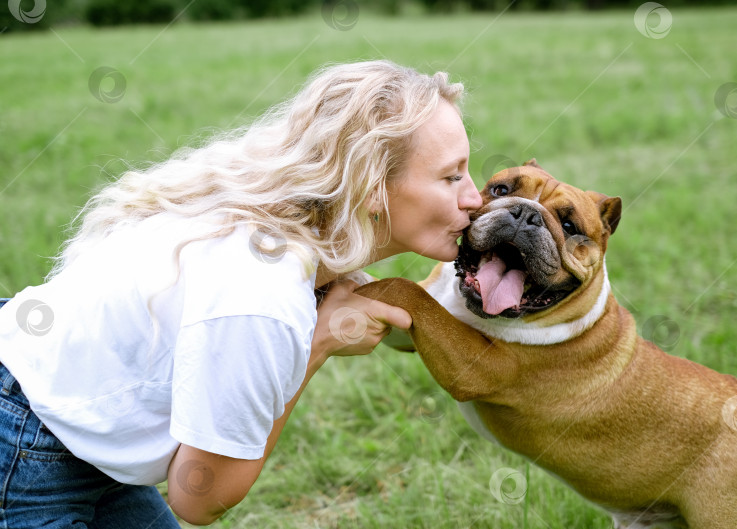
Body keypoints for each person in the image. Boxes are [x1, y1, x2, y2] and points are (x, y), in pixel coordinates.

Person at [0, 60, 482, 528]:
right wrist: (321, 342)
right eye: (451, 176)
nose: (475, 198)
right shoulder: (263, 297)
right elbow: (199, 499)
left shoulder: (274, 224)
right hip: (23, 443)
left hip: (72, 428)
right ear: (374, 186)